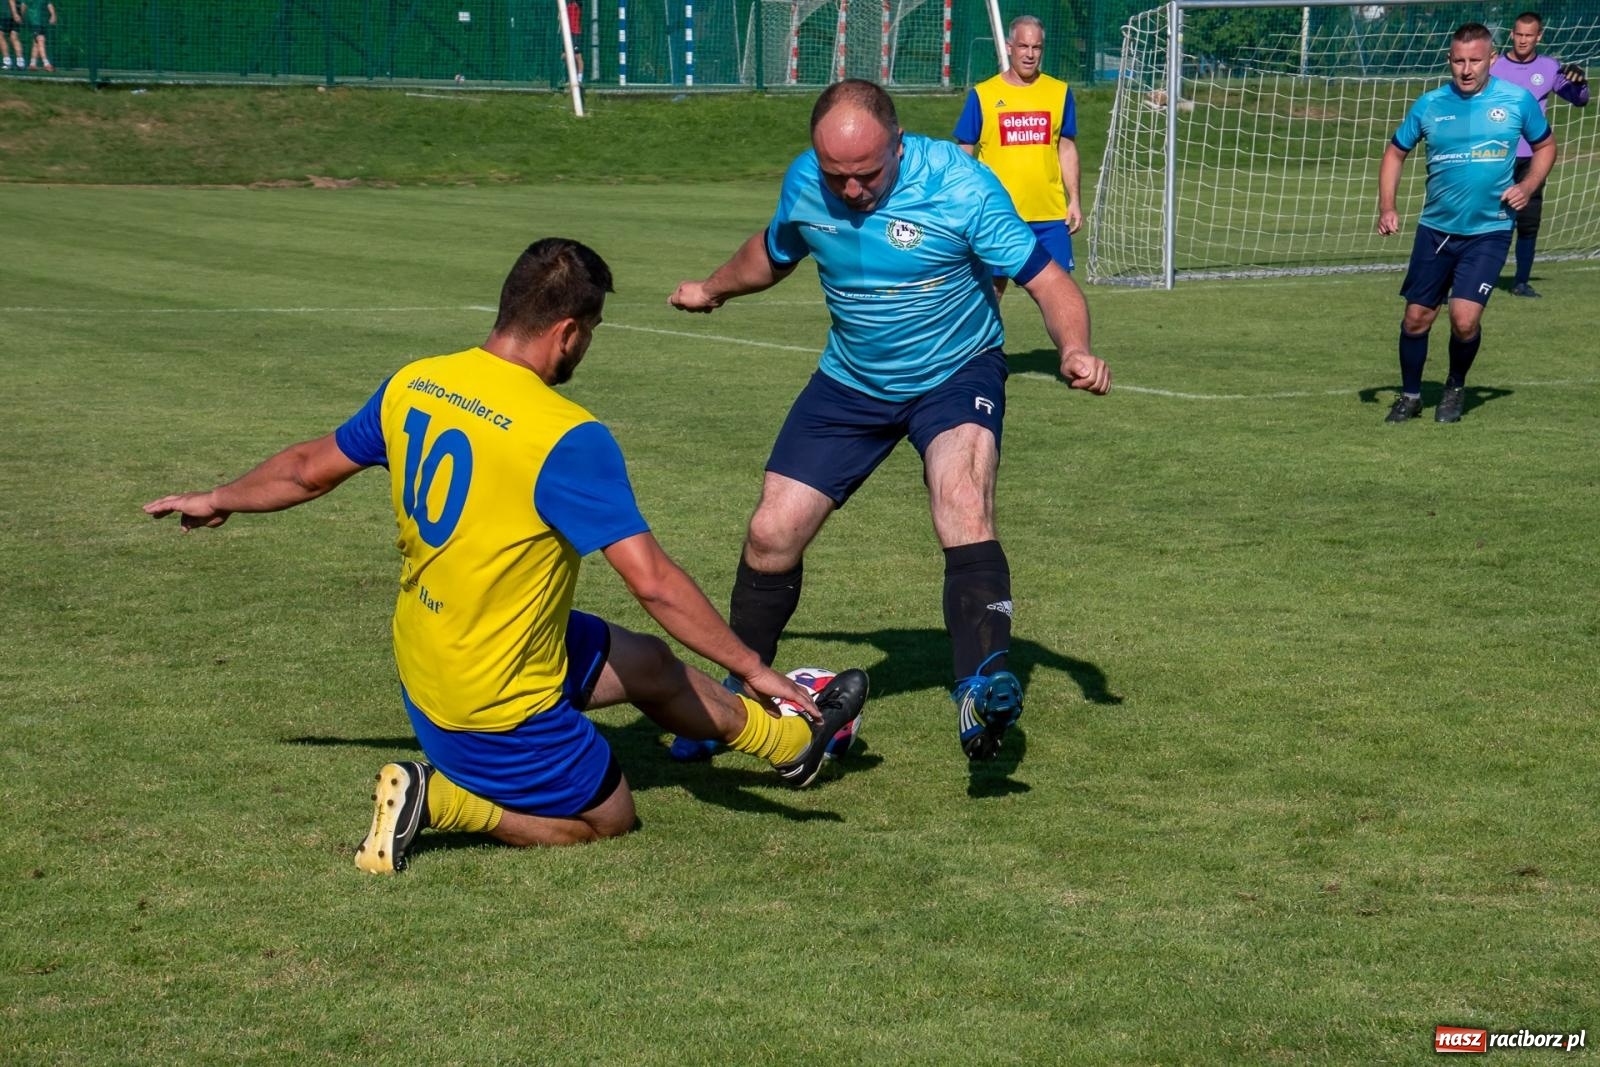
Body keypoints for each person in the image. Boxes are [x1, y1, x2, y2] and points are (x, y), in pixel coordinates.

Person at [144, 238, 869, 875]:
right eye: (591, 333)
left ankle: (789, 744)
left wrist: (220, 497)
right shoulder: (564, 434)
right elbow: (652, 579)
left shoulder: (419, 382)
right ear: (565, 332)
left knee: (646, 661)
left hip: (435, 654)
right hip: (489, 703)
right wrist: (752, 664)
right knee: (608, 820)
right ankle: (443, 799)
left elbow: (308, 466)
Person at [668, 80, 1110, 764]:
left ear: (899, 145)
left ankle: (981, 686)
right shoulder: (807, 184)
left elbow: (1047, 281)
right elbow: (774, 250)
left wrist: (1074, 348)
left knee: (962, 501)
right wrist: (713, 288)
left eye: (866, 175)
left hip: (954, 373)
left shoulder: (962, 187)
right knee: (770, 531)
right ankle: (738, 696)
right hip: (851, 380)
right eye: (835, 176)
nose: (850, 192)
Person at [1376, 22, 1553, 425]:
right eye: (1459, 60)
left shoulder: (1517, 100)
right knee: (1416, 319)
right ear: (1449, 60)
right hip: (1436, 229)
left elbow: (1545, 145)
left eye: (1475, 60)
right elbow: (1394, 152)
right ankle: (1410, 395)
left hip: (1489, 231)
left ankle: (1455, 387)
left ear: (1492, 58)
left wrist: (1527, 185)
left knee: (1464, 319)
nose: (1467, 69)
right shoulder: (1429, 104)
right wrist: (1387, 205)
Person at [952, 15, 1081, 295]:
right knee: (991, 291)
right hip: (998, 215)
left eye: (1036, 48)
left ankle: (1072, 343)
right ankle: (982, 341)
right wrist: (963, 202)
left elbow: (1067, 147)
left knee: (1059, 293)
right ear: (1010, 47)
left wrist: (1075, 200)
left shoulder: (1059, 92)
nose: (1030, 54)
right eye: (1024, 46)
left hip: (1050, 215)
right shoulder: (983, 94)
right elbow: (964, 153)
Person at [1489, 11, 1589, 298]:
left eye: (1528, 35)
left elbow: (1578, 100)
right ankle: (1467, 278)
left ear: (1539, 36)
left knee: (1528, 220)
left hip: (1533, 157)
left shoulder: (1548, 67)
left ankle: (1521, 282)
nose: (1522, 40)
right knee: (1484, 217)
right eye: (1518, 34)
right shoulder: (1494, 66)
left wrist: (1580, 82)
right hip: (1496, 154)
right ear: (1511, 34)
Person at [21, 0, 50, 71]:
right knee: (41, 40)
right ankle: (46, 63)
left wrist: (53, 14)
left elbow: (49, 4)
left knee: (36, 42)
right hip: (34, 21)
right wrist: (22, 17)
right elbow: (24, 5)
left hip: (42, 21)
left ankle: (32, 64)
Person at [1, 0, 22, 71]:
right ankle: (20, 62)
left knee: (1, 35)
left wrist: (15, 14)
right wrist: (19, 14)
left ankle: (7, 62)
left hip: (7, 16)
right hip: (12, 14)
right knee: (14, 37)